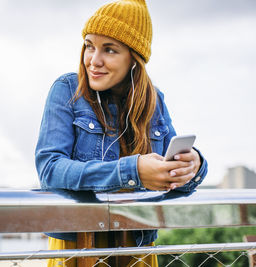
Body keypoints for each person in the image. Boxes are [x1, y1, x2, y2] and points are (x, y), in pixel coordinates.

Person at [35, 0, 208, 266]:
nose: (94, 61)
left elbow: (172, 177)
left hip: (138, 246)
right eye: (89, 46)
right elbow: (50, 170)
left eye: (110, 50)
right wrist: (132, 171)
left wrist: (192, 166)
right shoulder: (67, 89)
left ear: (134, 59)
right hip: (78, 246)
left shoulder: (155, 100)